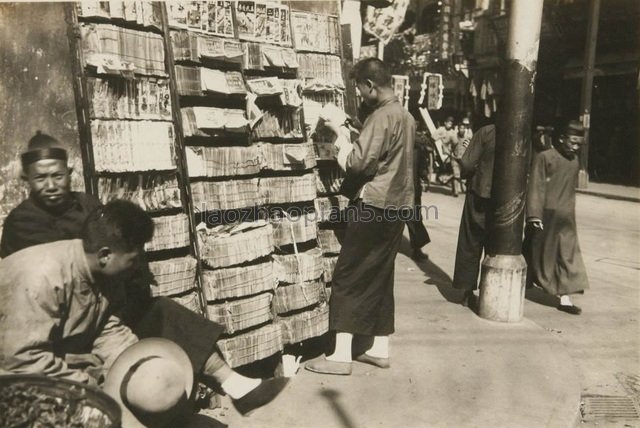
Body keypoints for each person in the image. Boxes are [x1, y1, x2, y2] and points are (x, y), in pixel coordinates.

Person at [0, 133, 288, 416]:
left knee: (161, 315)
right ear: (27, 180)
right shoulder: (22, 228)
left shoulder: (88, 206)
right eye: (41, 179)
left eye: (58, 176)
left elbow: (119, 253)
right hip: (44, 324)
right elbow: (26, 329)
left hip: (100, 304)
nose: (51, 186)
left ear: (69, 172)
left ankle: (232, 384)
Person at [305, 58, 415, 375]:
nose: (361, 94)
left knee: (349, 276)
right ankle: (379, 348)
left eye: (360, 88)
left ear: (369, 85)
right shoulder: (404, 116)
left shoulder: (381, 117)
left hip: (374, 206)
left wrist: (339, 133)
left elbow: (358, 165)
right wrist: (355, 128)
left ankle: (339, 356)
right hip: (397, 207)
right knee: (380, 275)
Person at [524, 120, 589, 315]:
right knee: (536, 252)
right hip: (545, 216)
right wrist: (534, 215)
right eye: (573, 142)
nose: (576, 146)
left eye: (579, 143)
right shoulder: (544, 157)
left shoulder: (574, 161)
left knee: (567, 256)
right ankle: (525, 279)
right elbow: (536, 186)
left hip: (566, 219)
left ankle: (565, 299)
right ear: (562, 139)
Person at [452, 124, 496, 307]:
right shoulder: (521, 131)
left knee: (471, 241)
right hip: (505, 199)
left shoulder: (487, 131)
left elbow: (468, 163)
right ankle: (492, 291)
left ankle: (467, 291)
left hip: (480, 192)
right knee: (495, 245)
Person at [450, 119, 472, 197]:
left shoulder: (468, 137)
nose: (462, 130)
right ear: (458, 129)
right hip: (455, 158)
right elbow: (447, 145)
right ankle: (456, 191)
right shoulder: (453, 137)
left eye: (463, 128)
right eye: (460, 128)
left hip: (464, 159)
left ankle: (460, 189)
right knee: (456, 174)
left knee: (464, 175)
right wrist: (449, 153)